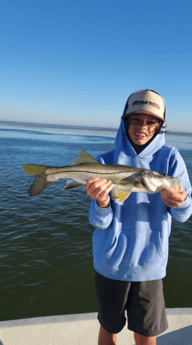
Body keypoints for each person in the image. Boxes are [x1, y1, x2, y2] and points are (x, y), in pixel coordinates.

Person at [85, 89, 192, 345]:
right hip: (110, 263)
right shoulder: (103, 161)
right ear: (125, 121)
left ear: (160, 126)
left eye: (150, 121)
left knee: (146, 334)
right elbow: (99, 222)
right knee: (107, 329)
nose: (142, 127)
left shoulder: (170, 159)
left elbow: (184, 214)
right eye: (136, 119)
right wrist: (101, 202)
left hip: (149, 265)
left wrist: (181, 202)